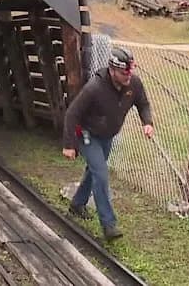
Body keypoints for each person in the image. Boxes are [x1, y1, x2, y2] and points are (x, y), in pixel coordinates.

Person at [62, 47, 154, 240]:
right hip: (87, 134)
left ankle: (77, 204)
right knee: (101, 174)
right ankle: (109, 225)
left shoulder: (133, 84)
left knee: (94, 171)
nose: (128, 77)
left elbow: (143, 104)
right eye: (123, 73)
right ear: (112, 70)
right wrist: (69, 144)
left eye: (130, 72)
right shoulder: (94, 88)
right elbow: (72, 114)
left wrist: (147, 122)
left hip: (107, 136)